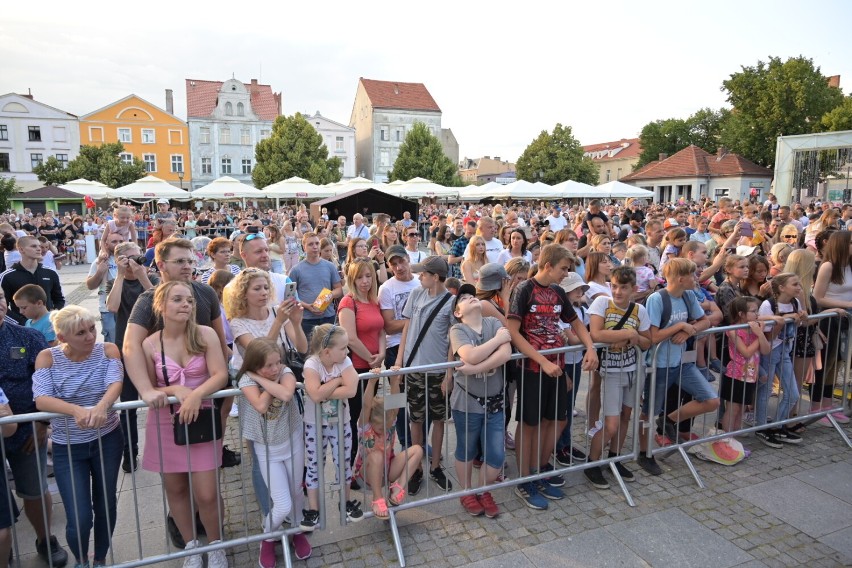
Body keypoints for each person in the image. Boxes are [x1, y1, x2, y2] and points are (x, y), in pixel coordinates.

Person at [139, 281, 229, 568]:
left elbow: (220, 375)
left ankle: (216, 545)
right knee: (175, 489)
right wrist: (175, 391)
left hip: (201, 420)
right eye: (178, 300)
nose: (186, 305)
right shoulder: (150, 343)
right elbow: (152, 386)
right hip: (165, 423)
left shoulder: (205, 334)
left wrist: (195, 395)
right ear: (161, 306)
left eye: (189, 300)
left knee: (206, 492)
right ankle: (191, 547)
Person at [507, 244, 598, 510]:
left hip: (556, 367)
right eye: (563, 269)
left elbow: (576, 322)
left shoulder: (558, 292)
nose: (565, 274)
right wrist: (541, 361)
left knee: (554, 420)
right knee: (529, 424)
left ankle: (539, 469)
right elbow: (513, 331)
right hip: (532, 369)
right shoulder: (524, 289)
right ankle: (525, 479)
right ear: (548, 266)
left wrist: (590, 347)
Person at [33, 306, 124, 568]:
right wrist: (75, 410)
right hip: (67, 446)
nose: (89, 336)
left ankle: (100, 558)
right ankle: (81, 559)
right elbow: (41, 398)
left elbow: (115, 383)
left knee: (106, 502)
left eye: (92, 329)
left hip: (107, 439)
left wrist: (101, 406)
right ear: (62, 338)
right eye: (80, 333)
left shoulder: (107, 350)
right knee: (79, 514)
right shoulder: (47, 358)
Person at [0, 289, 68, 567]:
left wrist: (42, 423)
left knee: (34, 489)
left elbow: (49, 381)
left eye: (0, 299)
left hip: (27, 431)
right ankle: (5, 552)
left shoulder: (27, 337)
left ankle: (45, 539)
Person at [639, 258, 716, 476]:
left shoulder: (689, 295)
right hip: (657, 365)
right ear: (681, 278)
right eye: (693, 275)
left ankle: (668, 420)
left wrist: (689, 330)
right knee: (647, 413)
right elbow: (652, 336)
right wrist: (681, 326)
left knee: (711, 399)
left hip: (681, 363)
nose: (696, 278)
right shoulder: (657, 299)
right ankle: (645, 454)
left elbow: (705, 322)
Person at [234, 338, 306, 567]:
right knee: (282, 504)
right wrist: (258, 380)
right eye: (268, 365)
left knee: (296, 493)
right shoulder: (246, 379)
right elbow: (261, 405)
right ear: (254, 366)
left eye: (277, 362)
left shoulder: (281, 371)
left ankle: (297, 530)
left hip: (292, 440)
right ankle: (267, 537)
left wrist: (262, 378)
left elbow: (286, 394)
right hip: (267, 450)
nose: (275, 369)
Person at [449, 283, 513, 518]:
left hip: (495, 398)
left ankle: (484, 489)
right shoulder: (457, 330)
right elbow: (470, 354)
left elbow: (505, 353)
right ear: (458, 312)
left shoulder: (493, 322)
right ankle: (466, 491)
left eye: (472, 295)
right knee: (466, 448)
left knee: (496, 454)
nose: (471, 298)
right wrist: (495, 344)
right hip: (467, 400)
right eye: (464, 298)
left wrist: (474, 368)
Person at [585, 266, 652, 489]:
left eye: (623, 287)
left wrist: (634, 338)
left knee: (626, 416)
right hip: (612, 372)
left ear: (633, 289)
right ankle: (592, 463)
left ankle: (615, 457)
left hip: (633, 369)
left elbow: (647, 340)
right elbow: (597, 333)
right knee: (611, 424)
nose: (617, 292)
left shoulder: (639, 310)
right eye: (614, 286)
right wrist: (629, 334)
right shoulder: (602, 303)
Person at [301, 324, 364, 530]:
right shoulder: (312, 364)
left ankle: (345, 502)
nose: (347, 351)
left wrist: (323, 389)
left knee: (343, 463)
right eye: (343, 347)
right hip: (314, 425)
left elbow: (352, 389)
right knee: (314, 466)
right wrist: (337, 381)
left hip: (341, 423)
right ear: (327, 351)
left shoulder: (344, 361)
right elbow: (315, 394)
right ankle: (313, 509)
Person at [338, 260, 386, 470]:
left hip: (373, 368)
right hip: (357, 369)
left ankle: (364, 462)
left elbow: (381, 330)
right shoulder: (348, 302)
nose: (365, 281)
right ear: (352, 279)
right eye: (360, 277)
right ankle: (349, 465)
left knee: (367, 416)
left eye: (368, 276)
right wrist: (370, 358)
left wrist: (382, 354)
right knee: (354, 417)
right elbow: (350, 338)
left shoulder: (374, 301)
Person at [756, 273, 807, 447]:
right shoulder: (768, 305)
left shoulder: (795, 302)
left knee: (792, 393)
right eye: (795, 284)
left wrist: (801, 319)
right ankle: (761, 427)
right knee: (765, 390)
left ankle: (778, 425)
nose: (799, 287)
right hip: (770, 351)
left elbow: (799, 326)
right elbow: (767, 336)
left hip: (785, 350)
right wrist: (783, 322)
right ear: (782, 288)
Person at [355, 390, 422, 520]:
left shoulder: (390, 421)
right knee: (377, 455)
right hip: (367, 475)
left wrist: (395, 377)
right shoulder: (365, 426)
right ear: (371, 421)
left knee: (417, 450)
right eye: (381, 428)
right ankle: (377, 498)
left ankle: (397, 489)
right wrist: (372, 382)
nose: (385, 431)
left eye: (388, 427)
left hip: (387, 471)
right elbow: (366, 405)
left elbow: (396, 398)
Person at [720, 297, 770, 447]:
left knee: (742, 406)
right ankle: (727, 435)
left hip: (751, 375)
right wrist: (758, 334)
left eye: (757, 311)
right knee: (733, 407)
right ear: (741, 314)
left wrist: (760, 334)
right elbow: (746, 352)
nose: (757, 314)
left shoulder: (754, 329)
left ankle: (735, 431)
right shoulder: (733, 330)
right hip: (736, 374)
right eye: (753, 311)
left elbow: (766, 350)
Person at [1, 236, 65, 325]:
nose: (39, 249)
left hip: (49, 326)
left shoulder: (50, 272)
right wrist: (22, 323)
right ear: (21, 249)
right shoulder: (7, 276)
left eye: (39, 246)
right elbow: (2, 307)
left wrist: (52, 317)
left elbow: (59, 299)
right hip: (22, 329)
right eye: (34, 246)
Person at [290, 233, 343, 337]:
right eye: (310, 244)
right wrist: (307, 306)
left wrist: (329, 296)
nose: (315, 246)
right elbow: (291, 296)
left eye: (317, 243)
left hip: (328, 316)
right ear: (303, 247)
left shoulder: (330, 266)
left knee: (328, 348)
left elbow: (339, 289)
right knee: (310, 350)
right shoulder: (296, 270)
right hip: (306, 318)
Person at [86, 231, 123, 344]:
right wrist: (99, 272)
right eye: (114, 241)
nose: (118, 244)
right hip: (107, 309)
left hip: (127, 306)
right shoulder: (99, 261)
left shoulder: (130, 259)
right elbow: (90, 286)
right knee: (112, 341)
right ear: (106, 244)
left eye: (121, 241)